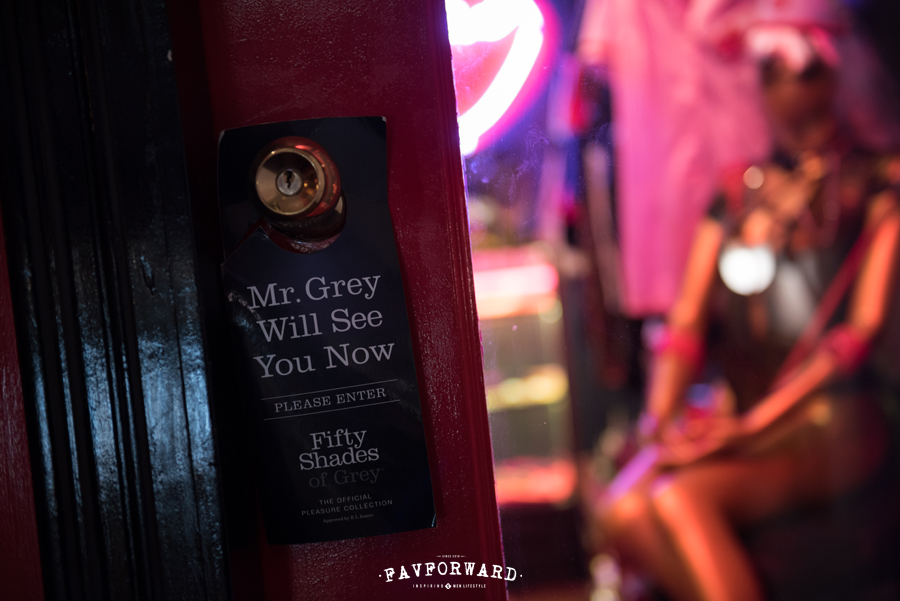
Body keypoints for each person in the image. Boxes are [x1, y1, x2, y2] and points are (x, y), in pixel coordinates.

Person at [591, 5, 900, 601]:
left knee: (679, 498)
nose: (784, 88)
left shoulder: (877, 183)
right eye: (769, 72)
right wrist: (660, 421)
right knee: (621, 512)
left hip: (831, 419)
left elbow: (857, 335)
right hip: (749, 409)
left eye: (800, 70)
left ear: (834, 73)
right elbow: (684, 325)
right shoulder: (739, 193)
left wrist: (749, 427)